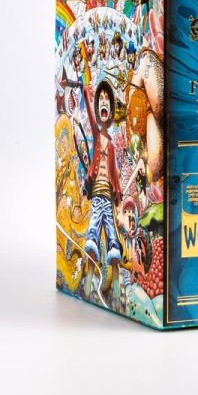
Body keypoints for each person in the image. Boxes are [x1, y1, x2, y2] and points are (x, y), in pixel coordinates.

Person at [82, 79, 122, 310]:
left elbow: (115, 173)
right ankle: (88, 290)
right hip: (97, 195)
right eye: (101, 100)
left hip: (108, 197)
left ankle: (117, 298)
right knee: (93, 232)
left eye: (108, 99)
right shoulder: (98, 137)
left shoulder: (113, 146)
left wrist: (118, 194)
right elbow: (88, 112)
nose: (104, 102)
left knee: (111, 234)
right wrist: (86, 90)